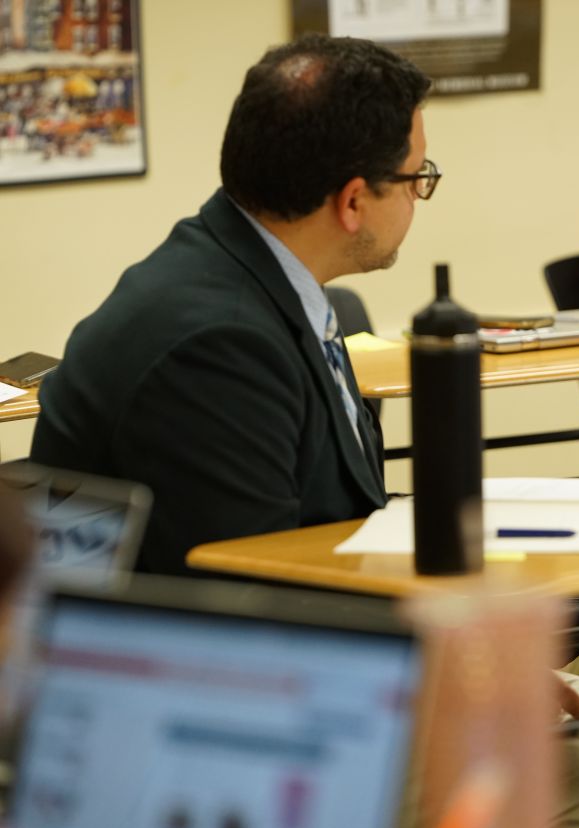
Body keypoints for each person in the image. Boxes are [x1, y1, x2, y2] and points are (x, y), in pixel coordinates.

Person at [30, 35, 435, 574]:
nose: (418, 196)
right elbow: (251, 602)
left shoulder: (249, 271)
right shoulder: (220, 343)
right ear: (354, 202)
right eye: (417, 177)